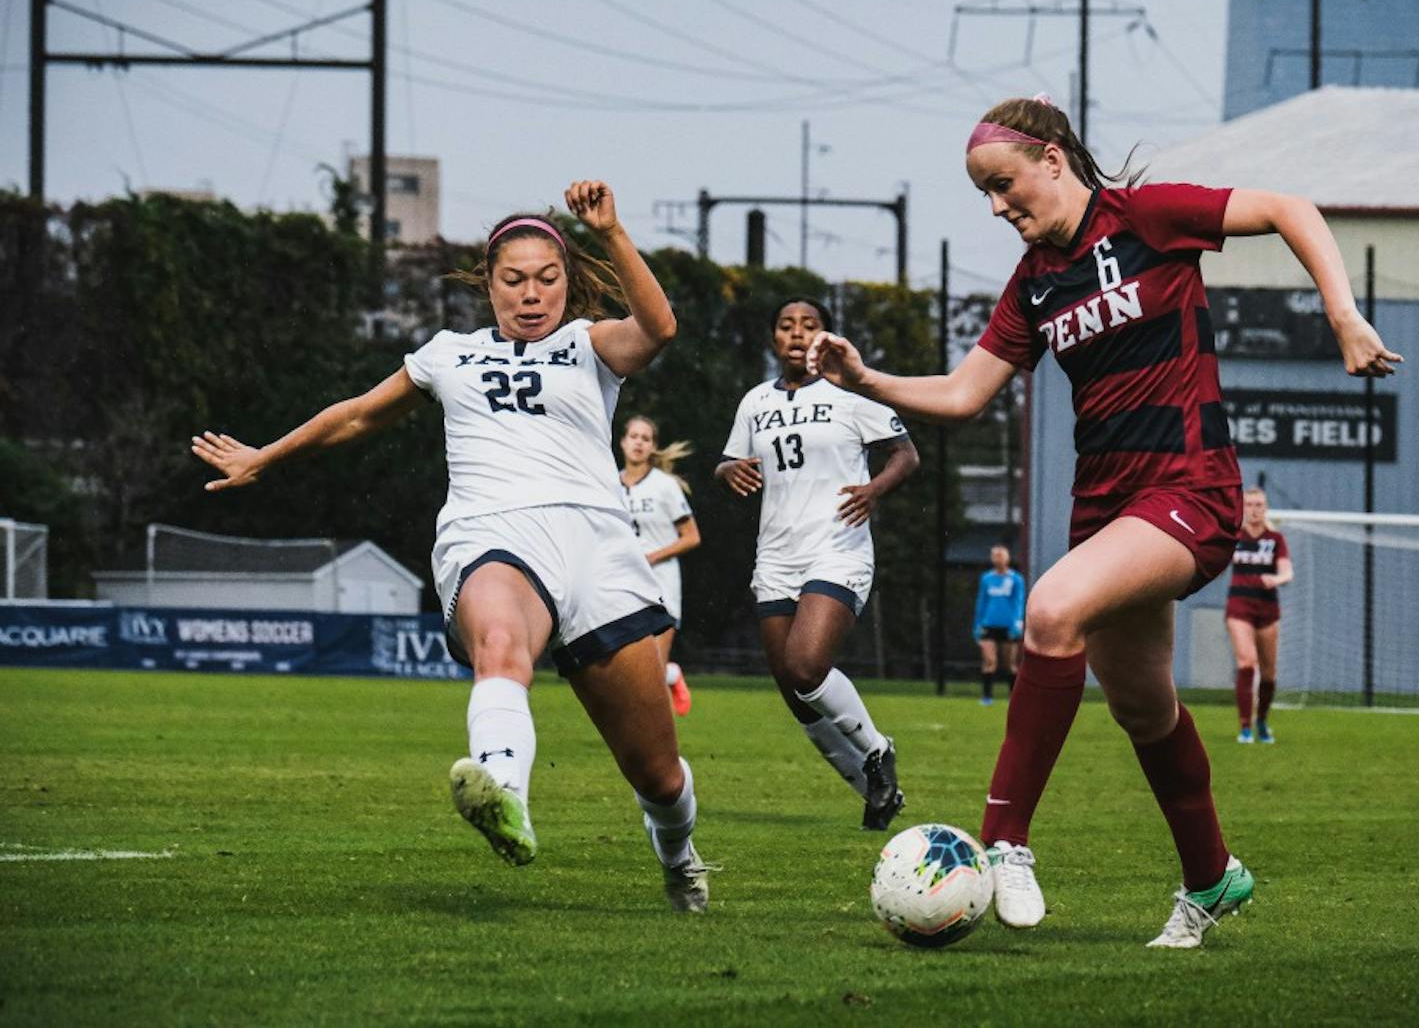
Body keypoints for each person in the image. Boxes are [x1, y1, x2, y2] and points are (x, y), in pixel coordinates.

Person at [808, 95, 1401, 947]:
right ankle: (1211, 876)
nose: (998, 207)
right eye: (985, 194)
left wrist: (1342, 311)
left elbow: (1286, 208)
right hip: (1107, 507)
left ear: (1054, 158)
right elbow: (965, 394)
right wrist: (868, 379)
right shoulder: (1036, 279)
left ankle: (1005, 839)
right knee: (1144, 706)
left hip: (1191, 489)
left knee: (1050, 610)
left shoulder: (1149, 217)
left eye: (1005, 185)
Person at [191, 183, 714, 912]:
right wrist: (263, 456)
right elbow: (355, 417)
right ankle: (503, 791)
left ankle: (678, 852)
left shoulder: (587, 344)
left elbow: (657, 327)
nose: (531, 295)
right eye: (513, 280)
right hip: (493, 532)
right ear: (487, 283)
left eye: (547, 278)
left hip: (597, 544)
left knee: (656, 773)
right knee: (500, 640)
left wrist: (614, 232)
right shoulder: (448, 355)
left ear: (566, 279)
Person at [716, 297, 920, 830]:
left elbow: (906, 454)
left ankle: (878, 750)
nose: (797, 334)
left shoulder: (851, 394)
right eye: (786, 326)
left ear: (826, 337)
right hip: (776, 554)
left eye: (810, 326)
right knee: (796, 692)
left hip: (838, 545)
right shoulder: (755, 401)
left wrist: (874, 490)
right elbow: (727, 462)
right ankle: (874, 792)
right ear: (773, 339)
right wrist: (728, 471)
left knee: (808, 666)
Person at [618, 414, 701, 716]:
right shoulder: (609, 485)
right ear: (623, 442)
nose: (639, 443)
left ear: (652, 446)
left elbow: (692, 537)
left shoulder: (664, 486)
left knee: (650, 673)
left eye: (646, 438)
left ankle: (666, 755)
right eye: (634, 436)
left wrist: (652, 556)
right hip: (622, 586)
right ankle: (672, 674)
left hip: (661, 584)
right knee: (626, 670)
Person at [1226, 486, 1293, 744]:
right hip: (1239, 607)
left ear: (1265, 508)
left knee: (1268, 674)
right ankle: (1245, 726)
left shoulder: (1275, 539)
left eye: (1259, 505)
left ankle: (1262, 720)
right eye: (1250, 505)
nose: (1254, 510)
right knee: (1246, 663)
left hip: (1267, 609)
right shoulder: (1234, 536)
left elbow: (1287, 572)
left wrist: (1275, 579)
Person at [974, 544, 1026, 705]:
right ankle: (987, 697)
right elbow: (981, 602)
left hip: (1009, 626)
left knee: (1009, 663)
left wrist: (1017, 623)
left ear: (1007, 558)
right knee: (989, 661)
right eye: (995, 555)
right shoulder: (987, 579)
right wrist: (977, 624)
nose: (998, 558)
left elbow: (1019, 602)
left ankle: (1014, 698)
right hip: (988, 625)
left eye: (1001, 555)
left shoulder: (1016, 579)